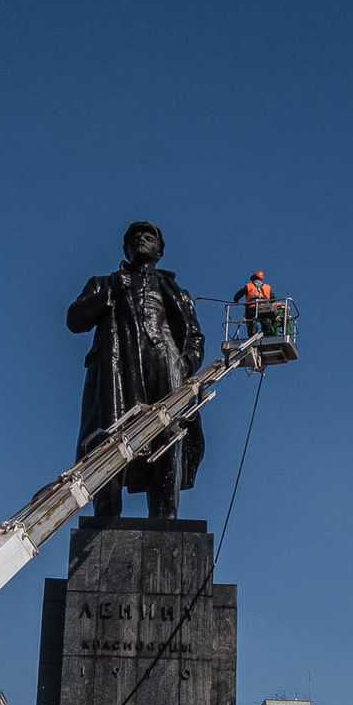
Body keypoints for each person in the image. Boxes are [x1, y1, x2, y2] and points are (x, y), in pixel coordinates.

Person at [65, 223, 205, 521]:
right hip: (120, 367)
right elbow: (75, 319)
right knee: (111, 437)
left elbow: (195, 336)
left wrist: (186, 364)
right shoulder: (103, 283)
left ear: (160, 250)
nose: (141, 239)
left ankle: (165, 514)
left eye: (149, 236)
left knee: (167, 436)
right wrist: (110, 291)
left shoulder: (177, 293)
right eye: (134, 237)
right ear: (125, 249)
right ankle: (106, 514)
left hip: (166, 367)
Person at [233, 270, 279, 336]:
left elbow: (239, 294)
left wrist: (236, 300)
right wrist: (268, 304)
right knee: (266, 321)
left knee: (251, 322)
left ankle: (252, 335)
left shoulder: (249, 286)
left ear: (253, 278)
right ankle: (270, 334)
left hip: (252, 308)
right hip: (264, 308)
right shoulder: (267, 287)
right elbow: (273, 298)